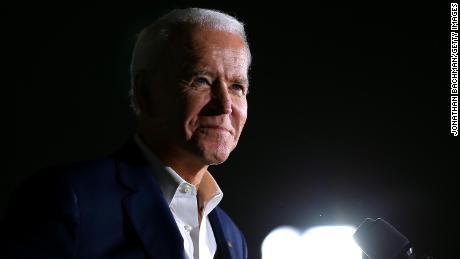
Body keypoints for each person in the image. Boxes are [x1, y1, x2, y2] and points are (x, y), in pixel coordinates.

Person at [1, 7, 251, 259]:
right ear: (145, 92)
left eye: (237, 86)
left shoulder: (231, 237)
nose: (225, 105)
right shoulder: (71, 200)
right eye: (201, 80)